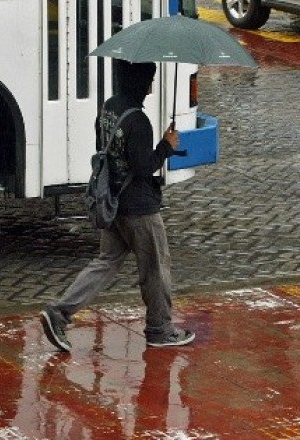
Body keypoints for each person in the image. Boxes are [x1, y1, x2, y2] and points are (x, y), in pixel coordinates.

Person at [40, 60, 195, 351]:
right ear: (140, 82)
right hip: (140, 209)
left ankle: (59, 313)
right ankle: (160, 329)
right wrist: (166, 145)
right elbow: (143, 166)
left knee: (105, 263)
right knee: (156, 269)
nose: (151, 87)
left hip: (112, 202)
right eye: (149, 80)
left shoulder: (109, 108)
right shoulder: (139, 122)